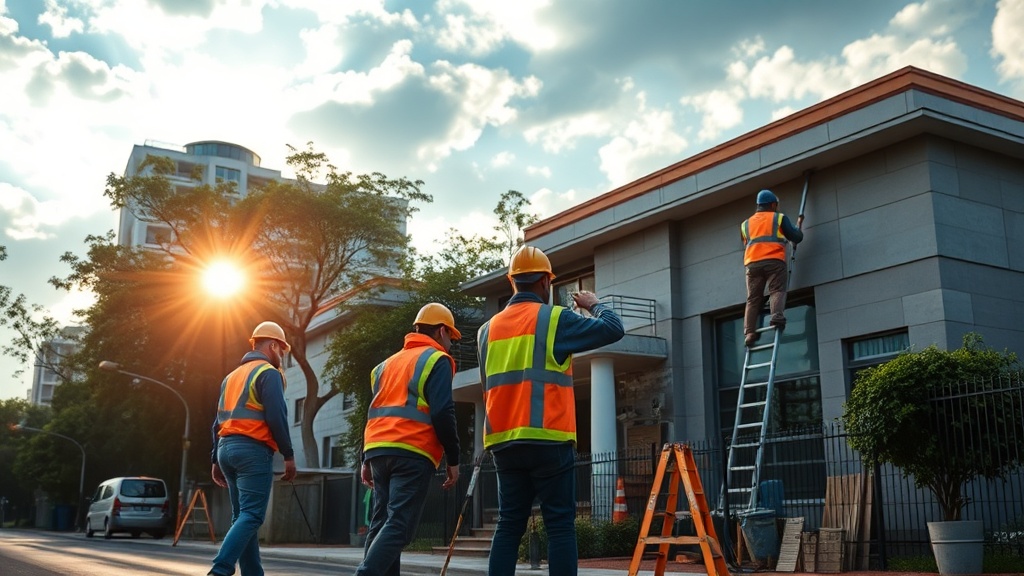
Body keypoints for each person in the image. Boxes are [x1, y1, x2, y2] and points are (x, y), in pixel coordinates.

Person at [478, 245, 625, 576]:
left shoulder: (487, 330)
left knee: (509, 525)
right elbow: (613, 328)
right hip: (548, 437)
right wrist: (594, 304)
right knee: (559, 525)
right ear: (546, 282)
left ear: (511, 281)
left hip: (503, 442)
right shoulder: (555, 318)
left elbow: (488, 386)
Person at [355, 303, 462, 576]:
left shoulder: (384, 366)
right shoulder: (436, 359)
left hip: (378, 450)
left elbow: (373, 412)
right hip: (412, 450)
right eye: (451, 337)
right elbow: (442, 411)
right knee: (399, 525)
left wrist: (365, 457)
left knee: (381, 524)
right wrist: (453, 457)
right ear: (440, 331)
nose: (451, 344)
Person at [208, 321, 297, 576]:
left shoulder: (231, 377)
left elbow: (217, 422)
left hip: (226, 449)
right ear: (272, 345)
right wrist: (288, 455)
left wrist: (215, 459)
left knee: (242, 518)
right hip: (252, 452)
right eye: (281, 350)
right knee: (252, 516)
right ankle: (220, 569)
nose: (281, 356)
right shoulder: (267, 373)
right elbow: (277, 416)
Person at [740, 189, 804, 347]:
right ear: (773, 204)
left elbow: (747, 243)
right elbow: (796, 237)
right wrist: (797, 229)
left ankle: (749, 332)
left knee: (753, 298)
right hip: (774, 261)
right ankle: (776, 317)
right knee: (776, 290)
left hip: (752, 264)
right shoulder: (779, 218)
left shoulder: (745, 224)